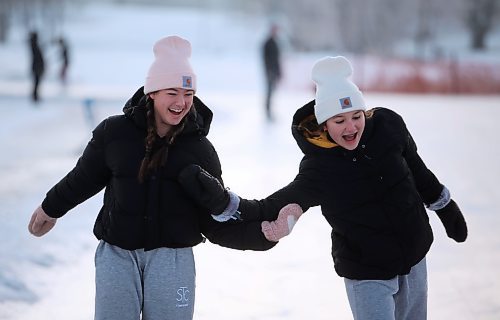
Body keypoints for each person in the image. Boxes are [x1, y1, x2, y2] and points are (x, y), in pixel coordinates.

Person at [177, 56, 468, 320]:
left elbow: (417, 170)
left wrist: (444, 205)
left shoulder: (388, 128)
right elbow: (271, 205)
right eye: (339, 120)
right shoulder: (320, 168)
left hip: (415, 254)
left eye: (356, 116)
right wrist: (226, 202)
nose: (350, 127)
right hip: (367, 271)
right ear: (324, 124)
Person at [27, 35, 276, 320]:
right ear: (153, 92)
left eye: (188, 94)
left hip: (173, 259)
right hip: (118, 255)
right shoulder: (114, 133)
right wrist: (51, 207)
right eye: (172, 92)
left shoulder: (200, 150)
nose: (182, 102)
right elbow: (83, 178)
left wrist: (259, 235)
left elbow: (213, 217)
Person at [262, 24, 282, 121]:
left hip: (273, 72)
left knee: (272, 93)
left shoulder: (274, 42)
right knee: (269, 93)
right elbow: (266, 59)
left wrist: (279, 72)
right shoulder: (268, 43)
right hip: (270, 72)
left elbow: (277, 59)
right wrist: (269, 71)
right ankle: (268, 113)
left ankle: (270, 112)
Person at [29, 31, 45, 103]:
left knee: (36, 83)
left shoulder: (35, 45)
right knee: (36, 83)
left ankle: (35, 96)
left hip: (37, 67)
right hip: (37, 67)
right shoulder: (34, 46)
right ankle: (35, 96)